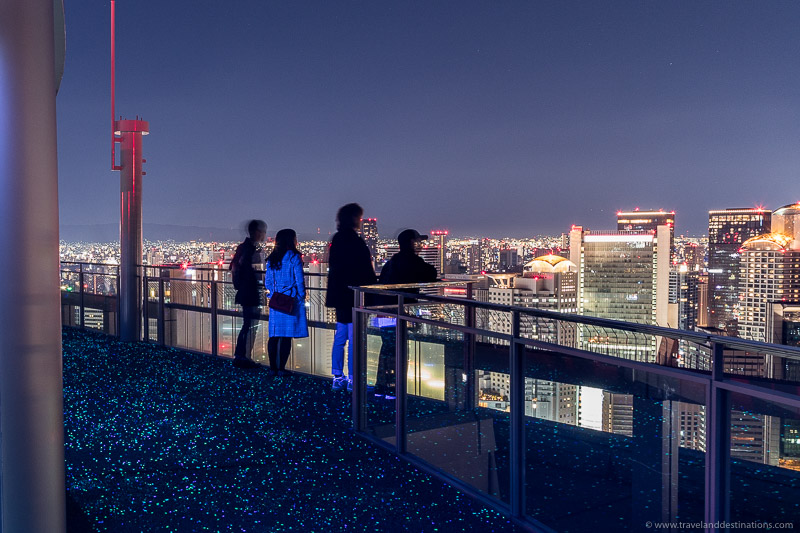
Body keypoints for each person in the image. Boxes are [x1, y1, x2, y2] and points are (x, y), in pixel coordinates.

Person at [374, 229, 438, 398]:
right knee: (399, 350)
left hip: (383, 312)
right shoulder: (412, 261)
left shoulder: (392, 262)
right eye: (418, 242)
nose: (421, 245)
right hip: (398, 313)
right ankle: (394, 388)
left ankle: (382, 387)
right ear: (411, 243)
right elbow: (431, 273)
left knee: (387, 348)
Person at [325, 203, 376, 391]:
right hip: (355, 296)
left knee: (341, 337)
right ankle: (354, 380)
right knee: (355, 339)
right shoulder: (355, 241)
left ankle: (338, 377)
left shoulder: (337, 239)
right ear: (354, 219)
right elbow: (364, 271)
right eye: (359, 218)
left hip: (340, 296)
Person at [264, 229, 308, 376]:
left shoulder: (272, 258)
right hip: (290, 300)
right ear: (291, 240)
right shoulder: (294, 258)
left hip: (276, 301)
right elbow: (300, 280)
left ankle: (272, 368)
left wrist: (275, 292)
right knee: (286, 336)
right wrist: (301, 296)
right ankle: (281, 369)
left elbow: (268, 282)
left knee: (274, 335)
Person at [230, 219, 267, 369]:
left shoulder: (243, 248)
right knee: (250, 325)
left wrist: (239, 285)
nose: (264, 235)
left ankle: (241, 356)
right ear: (257, 232)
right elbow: (249, 272)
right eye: (263, 231)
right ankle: (244, 357)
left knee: (247, 325)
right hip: (250, 293)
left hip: (245, 292)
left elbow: (234, 268)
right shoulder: (251, 250)